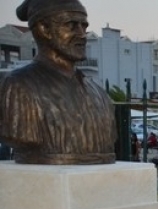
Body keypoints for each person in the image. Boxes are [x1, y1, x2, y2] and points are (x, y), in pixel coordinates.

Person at [0, 0, 116, 164]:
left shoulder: (98, 93)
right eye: (71, 25)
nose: (82, 34)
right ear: (44, 29)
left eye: (84, 26)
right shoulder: (19, 85)